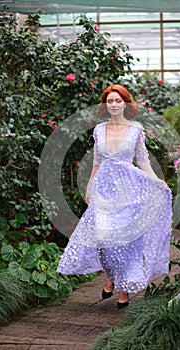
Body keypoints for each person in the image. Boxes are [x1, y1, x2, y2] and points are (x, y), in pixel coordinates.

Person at [57, 84, 172, 309]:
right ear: (105, 105)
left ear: (126, 103)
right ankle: (111, 276)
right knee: (103, 239)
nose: (114, 105)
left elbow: (143, 160)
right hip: (103, 190)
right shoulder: (99, 130)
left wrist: (157, 181)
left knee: (126, 240)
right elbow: (97, 162)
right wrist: (89, 185)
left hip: (129, 190)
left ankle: (123, 290)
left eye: (118, 100)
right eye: (110, 101)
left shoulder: (136, 129)